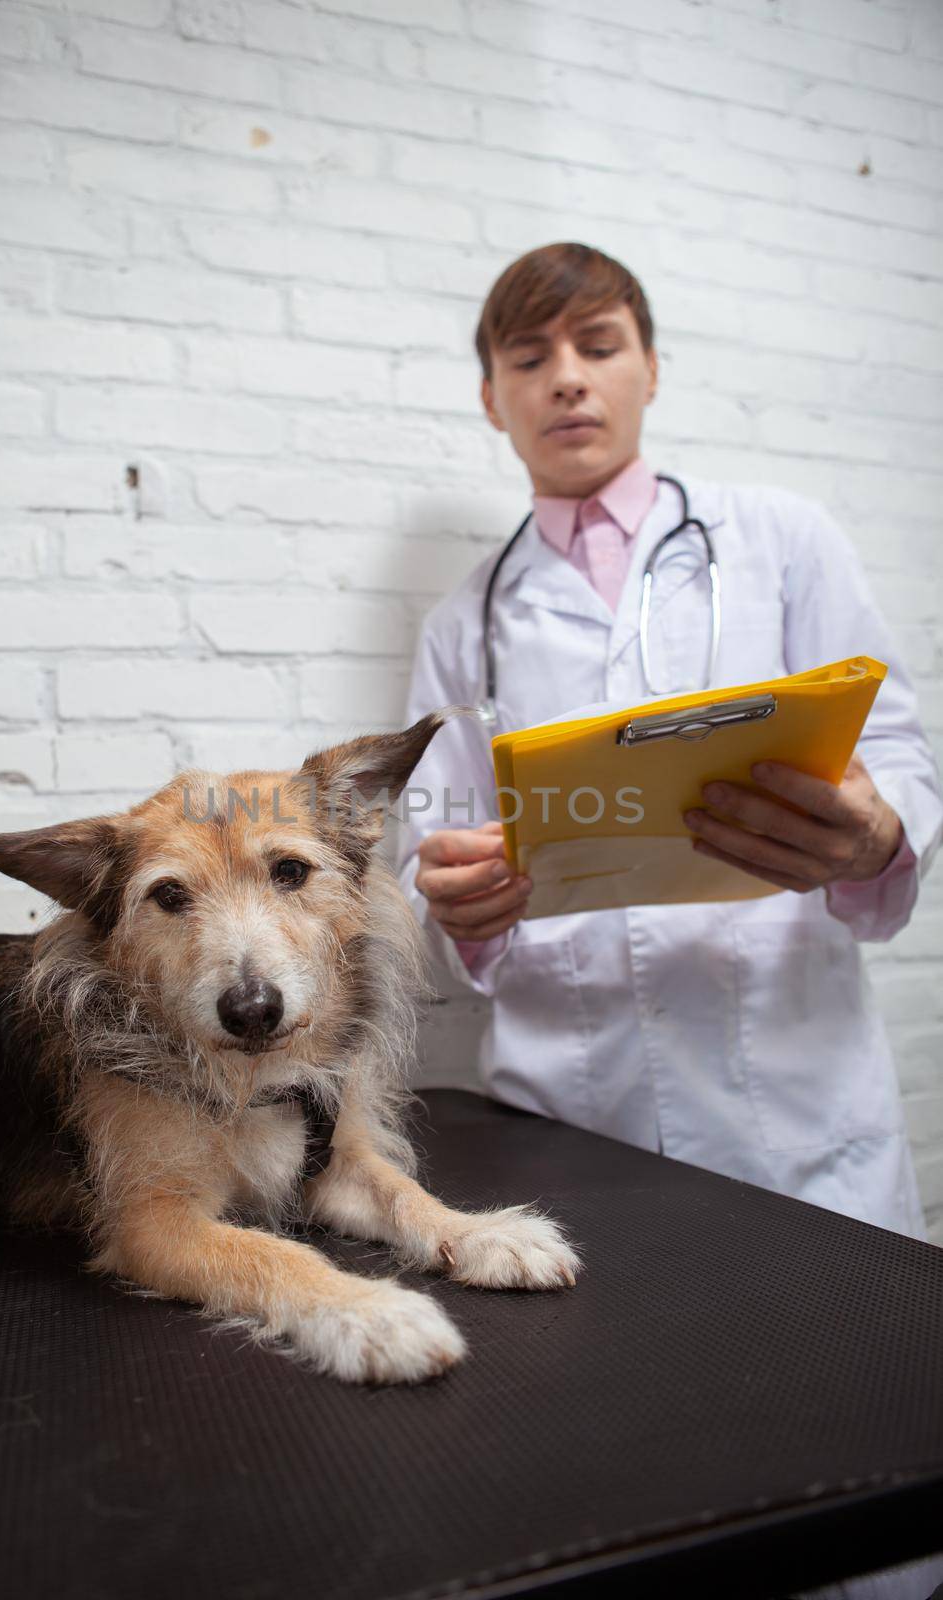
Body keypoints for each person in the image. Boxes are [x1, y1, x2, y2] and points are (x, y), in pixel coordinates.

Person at [394, 238, 943, 1600]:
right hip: (575, 1130)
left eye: (598, 346)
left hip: (797, 1118)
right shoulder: (466, 622)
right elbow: (432, 853)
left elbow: (910, 765)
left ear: (649, 367)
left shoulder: (781, 544)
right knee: (631, 1484)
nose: (566, 382)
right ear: (490, 397)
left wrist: (874, 830)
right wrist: (459, 900)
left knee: (853, 1476)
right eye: (529, 358)